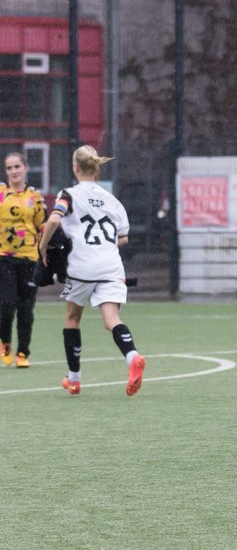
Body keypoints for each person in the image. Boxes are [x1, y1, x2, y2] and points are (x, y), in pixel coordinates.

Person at [37, 146, 146, 397]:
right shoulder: (113, 200)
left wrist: (43, 247)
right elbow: (123, 239)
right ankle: (133, 357)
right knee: (111, 320)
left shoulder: (70, 194)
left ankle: (74, 380)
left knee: (73, 318)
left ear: (75, 168)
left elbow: (54, 219)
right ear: (97, 168)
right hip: (110, 266)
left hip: (82, 267)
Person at [0, 153, 46, 368]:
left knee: (26, 308)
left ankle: (22, 353)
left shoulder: (35, 198)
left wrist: (45, 255)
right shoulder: (0, 193)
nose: (14, 171)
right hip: (4, 258)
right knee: (7, 304)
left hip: (29, 258)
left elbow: (42, 226)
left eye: (17, 166)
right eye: (9, 168)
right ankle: (5, 343)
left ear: (25, 167)